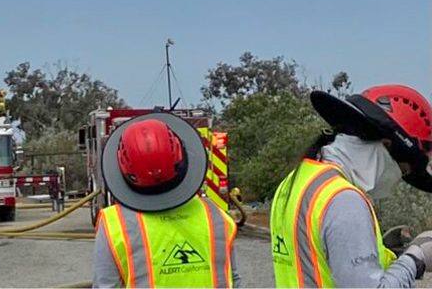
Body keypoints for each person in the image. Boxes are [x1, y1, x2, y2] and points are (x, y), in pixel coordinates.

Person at [270, 83, 432, 288]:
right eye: (404, 171)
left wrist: (382, 251)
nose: (399, 179)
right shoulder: (344, 200)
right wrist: (415, 259)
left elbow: (318, 257)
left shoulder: (296, 182)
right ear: (388, 145)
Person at [92, 113, 236, 287]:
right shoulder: (215, 217)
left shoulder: (114, 224)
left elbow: (106, 285)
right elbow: (233, 279)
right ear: (182, 157)